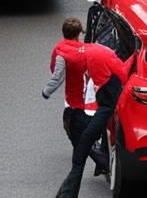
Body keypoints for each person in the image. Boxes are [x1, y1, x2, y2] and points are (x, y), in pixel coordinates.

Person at [54, 41, 133, 198]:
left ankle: (67, 193)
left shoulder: (80, 59)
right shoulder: (106, 63)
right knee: (80, 158)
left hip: (75, 114)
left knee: (79, 160)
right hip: (85, 114)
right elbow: (123, 73)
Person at [42, 17, 107, 176]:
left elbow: (56, 73)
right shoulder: (85, 50)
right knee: (83, 135)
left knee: (76, 136)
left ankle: (102, 162)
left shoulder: (60, 49)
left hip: (74, 103)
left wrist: (47, 91)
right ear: (78, 34)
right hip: (90, 99)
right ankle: (99, 160)